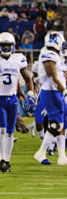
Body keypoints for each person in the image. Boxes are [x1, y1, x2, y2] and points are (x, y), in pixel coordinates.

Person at [0, 33, 34, 172]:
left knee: (10, 132)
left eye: (8, 45)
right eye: (3, 45)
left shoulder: (18, 59)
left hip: (12, 100)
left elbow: (28, 79)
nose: (5, 48)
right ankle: (1, 160)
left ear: (13, 46)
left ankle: (7, 161)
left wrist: (30, 95)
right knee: (1, 129)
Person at [32, 32, 67, 166]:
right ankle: (41, 152)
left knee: (61, 124)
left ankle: (62, 155)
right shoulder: (48, 54)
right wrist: (64, 91)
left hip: (55, 91)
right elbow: (52, 75)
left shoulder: (55, 55)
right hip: (51, 91)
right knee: (57, 125)